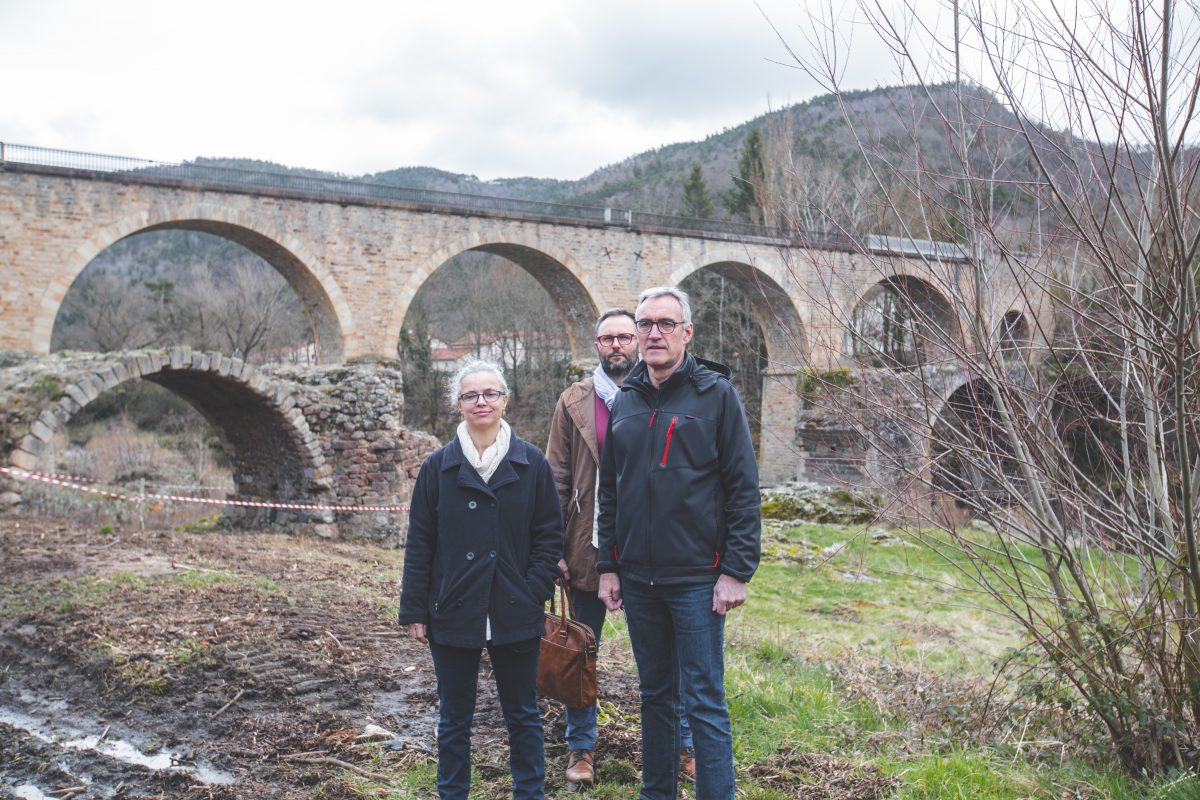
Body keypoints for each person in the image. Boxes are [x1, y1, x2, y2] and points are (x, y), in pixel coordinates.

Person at [596, 287, 761, 800]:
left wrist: (736, 570)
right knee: (655, 697)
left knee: (704, 701)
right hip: (639, 580)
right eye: (645, 324)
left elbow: (742, 486)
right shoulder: (626, 399)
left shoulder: (716, 395)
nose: (653, 333)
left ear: (687, 332)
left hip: (696, 578)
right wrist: (608, 566)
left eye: (665, 323)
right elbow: (611, 491)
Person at [399, 360, 564, 800]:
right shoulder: (437, 468)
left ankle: (530, 793)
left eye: (490, 393)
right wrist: (415, 608)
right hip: (453, 608)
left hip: (515, 608)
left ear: (505, 400)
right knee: (454, 718)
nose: (481, 402)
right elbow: (420, 543)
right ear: (458, 405)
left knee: (523, 713)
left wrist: (533, 591)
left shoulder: (531, 463)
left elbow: (550, 537)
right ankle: (452, 794)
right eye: (471, 395)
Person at [545, 309, 695, 787]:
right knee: (579, 652)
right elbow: (556, 476)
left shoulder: (659, 393)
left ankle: (685, 747)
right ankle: (582, 748)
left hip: (651, 547)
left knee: (672, 653)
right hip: (587, 545)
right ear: (596, 344)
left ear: (638, 340)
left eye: (624, 336)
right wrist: (553, 545)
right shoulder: (573, 401)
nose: (616, 345)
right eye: (607, 338)